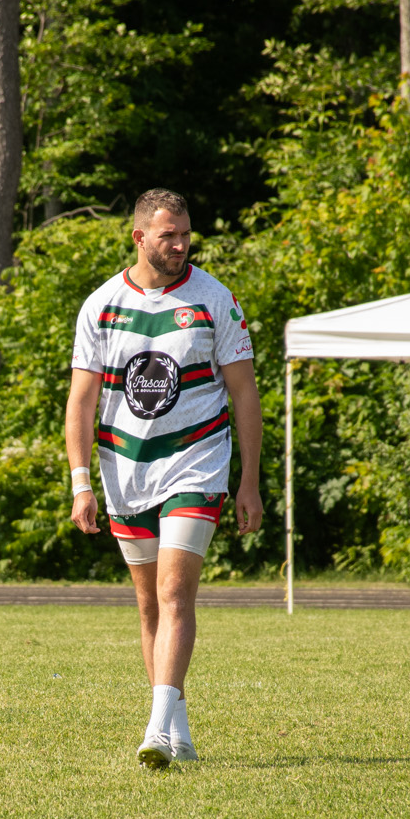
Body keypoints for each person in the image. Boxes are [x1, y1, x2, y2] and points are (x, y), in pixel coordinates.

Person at [64, 188, 262, 768]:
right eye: (167, 234)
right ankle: (177, 727)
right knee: (149, 605)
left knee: (176, 593)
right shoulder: (101, 305)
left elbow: (244, 390)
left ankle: (155, 730)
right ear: (139, 237)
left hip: (197, 459)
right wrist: (81, 482)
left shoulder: (214, 298)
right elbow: (80, 401)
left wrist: (248, 479)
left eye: (185, 233)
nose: (179, 244)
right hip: (124, 468)